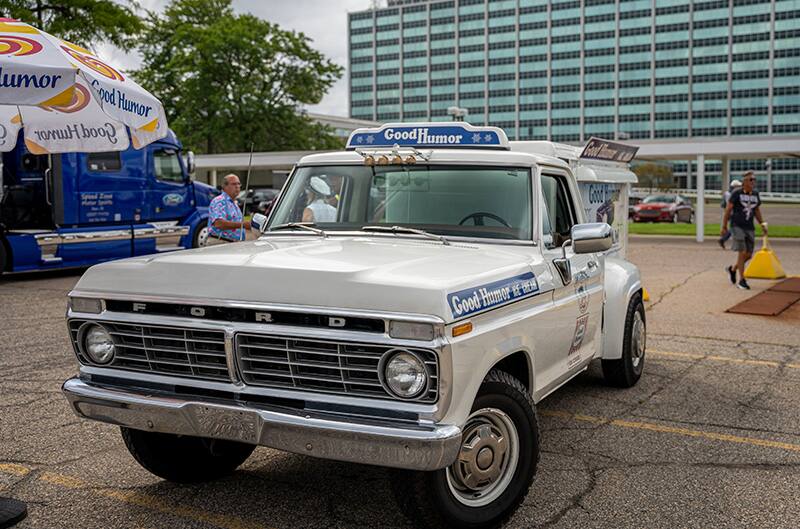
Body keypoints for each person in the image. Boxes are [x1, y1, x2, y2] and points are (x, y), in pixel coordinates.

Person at [721, 171, 767, 290]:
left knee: (748, 255)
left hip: (749, 227)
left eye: (754, 180)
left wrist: (762, 223)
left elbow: (756, 210)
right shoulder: (737, 193)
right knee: (742, 252)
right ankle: (742, 280)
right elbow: (728, 209)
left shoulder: (755, 194)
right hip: (737, 226)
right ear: (745, 182)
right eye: (751, 180)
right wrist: (724, 226)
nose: (753, 182)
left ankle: (733, 269)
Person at [208, 174, 250, 243]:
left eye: (239, 184)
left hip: (232, 244)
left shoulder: (234, 203)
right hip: (221, 242)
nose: (237, 186)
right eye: (234, 184)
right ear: (225, 186)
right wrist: (243, 225)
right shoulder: (219, 201)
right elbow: (218, 223)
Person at [718, 179, 742, 248]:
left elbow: (722, 204)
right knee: (737, 228)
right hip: (735, 213)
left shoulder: (726, 194)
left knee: (734, 228)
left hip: (728, 213)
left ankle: (723, 239)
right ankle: (723, 239)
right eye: (738, 186)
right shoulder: (737, 193)